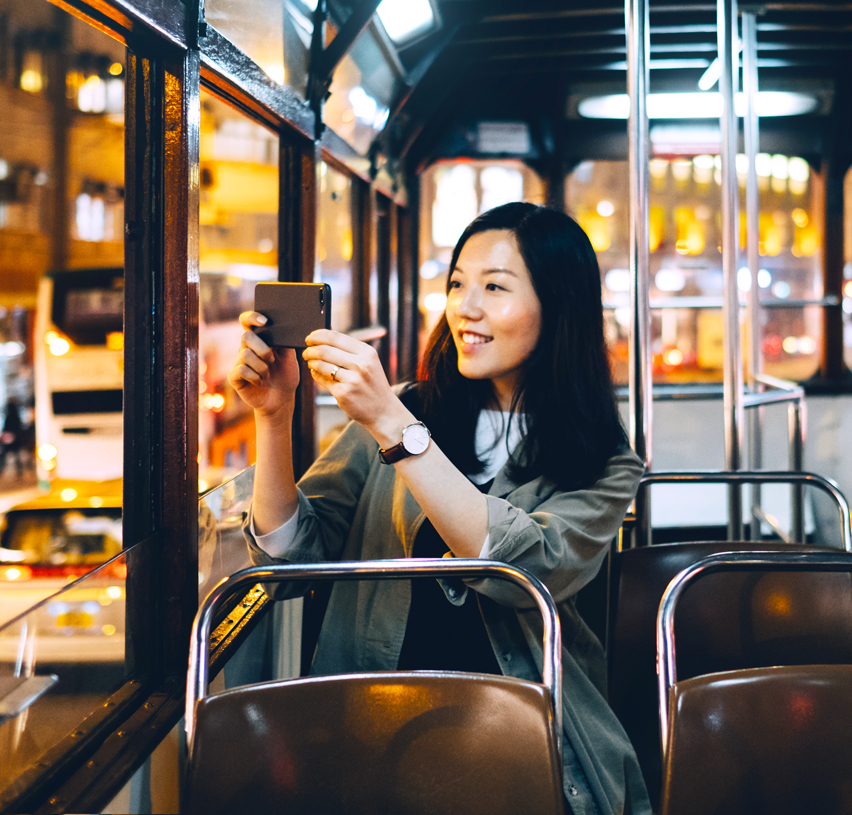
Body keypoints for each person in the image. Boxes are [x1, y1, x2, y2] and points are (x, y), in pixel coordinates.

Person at [229, 202, 650, 815]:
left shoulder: (606, 462)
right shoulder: (402, 408)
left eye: (494, 288)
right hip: (373, 726)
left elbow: (529, 570)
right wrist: (273, 416)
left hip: (524, 739)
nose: (465, 307)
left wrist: (394, 425)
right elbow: (291, 557)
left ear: (558, 306)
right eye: (457, 283)